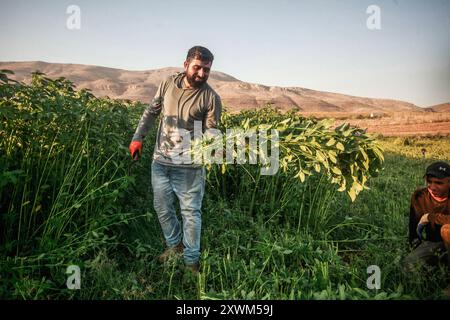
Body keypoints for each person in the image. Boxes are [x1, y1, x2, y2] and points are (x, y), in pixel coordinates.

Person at [129, 46, 222, 273]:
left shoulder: (211, 98)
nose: (201, 74)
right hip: (160, 162)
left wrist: (215, 145)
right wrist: (138, 138)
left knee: (191, 214)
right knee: (162, 207)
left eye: (206, 70)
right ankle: (175, 246)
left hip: (189, 166)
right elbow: (151, 111)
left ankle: (191, 261)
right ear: (186, 65)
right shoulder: (168, 84)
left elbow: (211, 131)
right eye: (197, 68)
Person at [405, 161, 450, 295]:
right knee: (409, 265)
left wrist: (432, 217)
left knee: (447, 230)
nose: (432, 187)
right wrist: (413, 247)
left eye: (439, 183)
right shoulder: (419, 196)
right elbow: (413, 225)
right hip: (434, 243)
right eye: (429, 182)